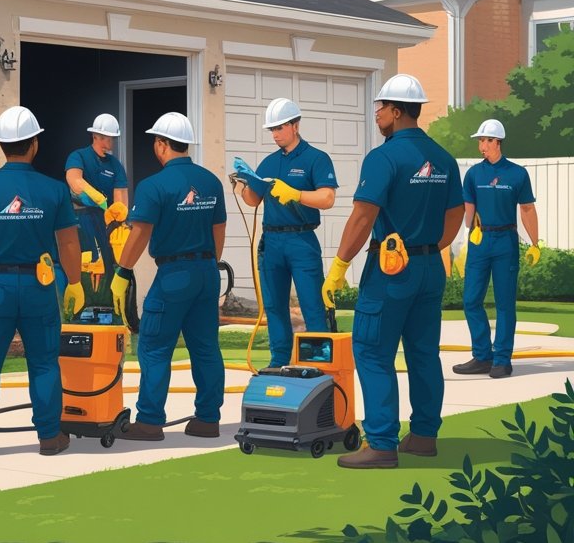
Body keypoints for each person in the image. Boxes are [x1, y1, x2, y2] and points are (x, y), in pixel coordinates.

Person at [321, 74, 463, 468]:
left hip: (390, 269)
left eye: (380, 107)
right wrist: (431, 247)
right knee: (422, 353)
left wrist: (338, 266)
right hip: (429, 268)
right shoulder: (444, 158)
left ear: (396, 111)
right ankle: (423, 436)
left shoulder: (383, 158)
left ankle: (382, 444)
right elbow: (455, 215)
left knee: (372, 351)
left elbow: (363, 215)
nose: (377, 114)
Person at [0, 106, 84, 458]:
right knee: (44, 361)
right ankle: (50, 436)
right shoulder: (54, 191)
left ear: (1, 146)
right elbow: (69, 242)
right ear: (34, 143)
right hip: (40, 286)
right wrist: (75, 282)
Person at [110, 112, 227, 441]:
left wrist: (122, 269)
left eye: (155, 141)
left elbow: (139, 233)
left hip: (174, 273)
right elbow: (219, 230)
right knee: (205, 348)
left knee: (154, 346)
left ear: (162, 144)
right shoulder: (210, 181)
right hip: (207, 271)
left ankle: (149, 421)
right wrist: (207, 264)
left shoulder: (153, 185)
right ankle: (207, 419)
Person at [234, 98, 337, 367]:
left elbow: (327, 198)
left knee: (312, 304)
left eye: (280, 128)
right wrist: (244, 183)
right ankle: (279, 359)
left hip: (301, 239)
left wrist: (297, 194)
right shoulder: (268, 163)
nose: (276, 134)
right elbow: (253, 201)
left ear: (295, 124)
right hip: (272, 240)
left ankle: (318, 361)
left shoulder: (316, 159)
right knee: (274, 305)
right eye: (272, 130)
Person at [453, 119, 542, 379]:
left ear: (497, 142)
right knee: (470, 300)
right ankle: (482, 356)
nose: (481, 145)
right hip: (480, 242)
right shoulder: (473, 174)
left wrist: (535, 243)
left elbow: (527, 209)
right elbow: (468, 210)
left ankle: (502, 360)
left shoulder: (517, 174)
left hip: (506, 242)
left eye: (485, 140)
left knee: (504, 304)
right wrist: (464, 240)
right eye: (479, 140)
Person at [64, 113, 131, 307]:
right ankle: (78, 308)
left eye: (113, 137)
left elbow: (121, 200)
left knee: (107, 264)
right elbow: (74, 181)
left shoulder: (115, 165)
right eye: (109, 137)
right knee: (82, 264)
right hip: (78, 218)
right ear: (96, 136)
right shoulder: (79, 156)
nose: (112, 141)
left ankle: (106, 308)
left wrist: (119, 219)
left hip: (104, 222)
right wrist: (97, 197)